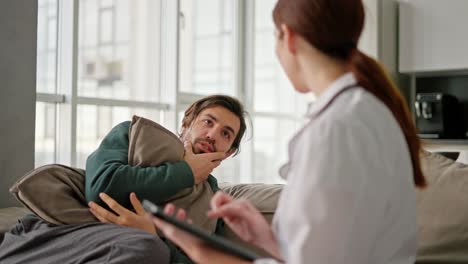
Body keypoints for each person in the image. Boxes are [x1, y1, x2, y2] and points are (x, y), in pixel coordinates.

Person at [143, 0, 427, 263]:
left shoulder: (334, 129)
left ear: (288, 37)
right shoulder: (370, 112)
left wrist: (199, 250)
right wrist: (266, 238)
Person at [86, 94, 248, 263]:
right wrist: (187, 172)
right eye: (208, 122)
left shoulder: (216, 202)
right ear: (187, 123)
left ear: (228, 152)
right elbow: (100, 189)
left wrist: (153, 238)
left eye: (225, 134)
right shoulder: (134, 133)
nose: (212, 135)